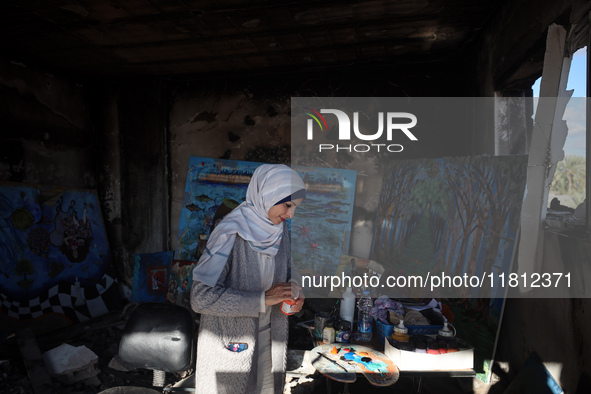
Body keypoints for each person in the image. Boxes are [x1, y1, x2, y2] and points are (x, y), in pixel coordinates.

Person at [190, 164, 306, 394]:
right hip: (231, 347)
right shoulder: (229, 233)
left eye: (295, 208)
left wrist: (294, 293)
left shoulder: (280, 233)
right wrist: (262, 299)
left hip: (270, 344)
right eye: (288, 205)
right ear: (267, 194)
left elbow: (290, 275)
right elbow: (200, 299)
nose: (290, 214)